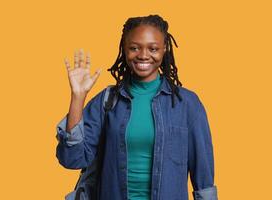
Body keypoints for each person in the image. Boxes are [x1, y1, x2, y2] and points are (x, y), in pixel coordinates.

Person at [55, 14, 218, 200]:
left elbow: (203, 176)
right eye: (134, 48)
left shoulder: (187, 104)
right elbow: (72, 159)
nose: (143, 55)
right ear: (125, 49)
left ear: (164, 49)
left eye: (153, 48)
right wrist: (77, 97)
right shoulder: (107, 101)